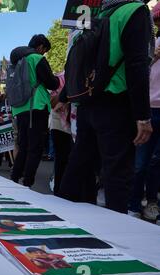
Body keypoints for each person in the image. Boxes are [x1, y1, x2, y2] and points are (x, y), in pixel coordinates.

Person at [59, 0, 154, 214]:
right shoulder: (134, 11)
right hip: (116, 102)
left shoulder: (97, 14)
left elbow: (76, 61)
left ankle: (56, 220)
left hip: (87, 101)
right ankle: (115, 235)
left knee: (78, 166)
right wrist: (142, 115)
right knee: (117, 175)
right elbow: (137, 65)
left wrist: (66, 97)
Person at [10, 34, 60, 187]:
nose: (44, 54)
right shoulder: (36, 58)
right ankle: (28, 183)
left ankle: (14, 178)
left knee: (23, 145)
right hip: (36, 106)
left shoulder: (18, 60)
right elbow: (52, 83)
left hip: (20, 108)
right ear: (40, 47)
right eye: (45, 50)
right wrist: (58, 79)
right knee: (35, 147)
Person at [129, 2, 160, 221]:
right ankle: (133, 203)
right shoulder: (150, 42)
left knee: (157, 162)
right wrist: (154, 56)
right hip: (148, 108)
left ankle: (152, 203)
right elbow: (137, 68)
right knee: (140, 162)